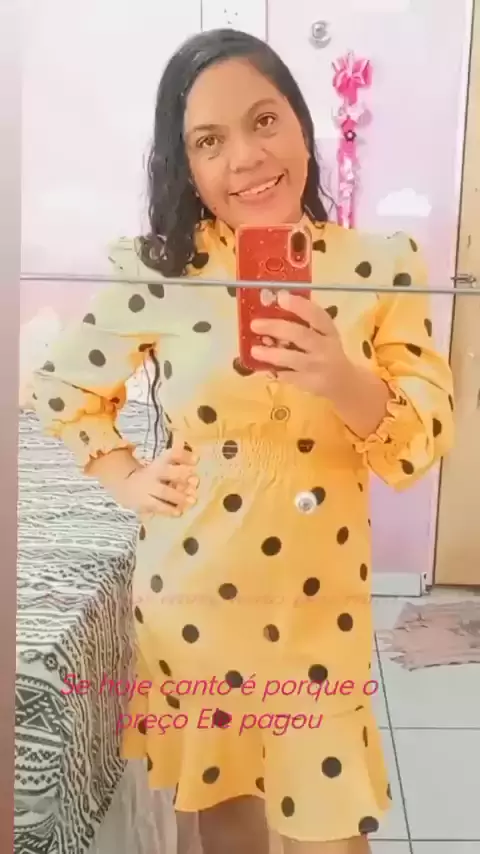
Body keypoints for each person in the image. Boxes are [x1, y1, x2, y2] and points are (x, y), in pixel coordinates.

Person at [32, 28, 454, 854]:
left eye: (264, 120)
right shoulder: (162, 271)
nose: (247, 158)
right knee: (227, 826)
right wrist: (126, 476)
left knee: (331, 832)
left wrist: (341, 376)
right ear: (185, 166)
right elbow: (60, 387)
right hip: (194, 605)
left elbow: (421, 441)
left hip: (318, 617)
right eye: (209, 141)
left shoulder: (383, 265)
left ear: (301, 124)